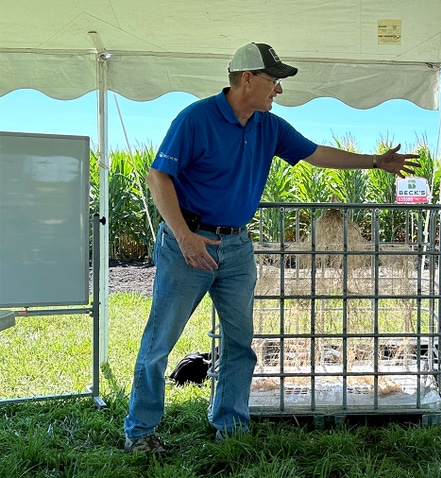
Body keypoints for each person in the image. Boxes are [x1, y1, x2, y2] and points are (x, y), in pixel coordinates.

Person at [123, 41, 419, 454]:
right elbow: (159, 178)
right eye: (273, 80)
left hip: (238, 247)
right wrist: (185, 238)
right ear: (248, 79)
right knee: (160, 342)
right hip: (187, 244)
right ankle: (140, 432)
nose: (278, 90)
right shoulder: (196, 119)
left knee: (240, 343)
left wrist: (375, 161)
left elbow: (317, 154)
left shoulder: (269, 127)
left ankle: (230, 425)